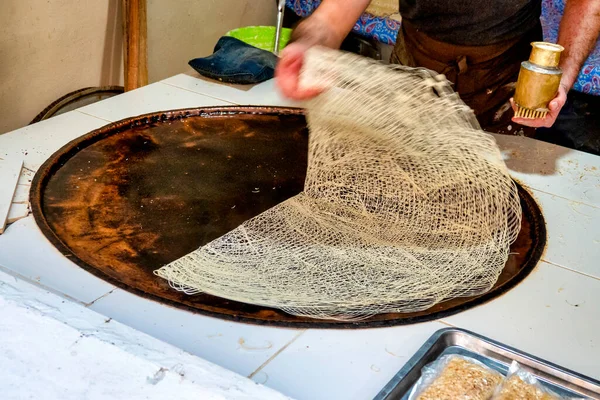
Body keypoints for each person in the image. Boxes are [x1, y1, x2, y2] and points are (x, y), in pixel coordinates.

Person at [275, 0, 600, 134]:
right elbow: (331, 18)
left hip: (508, 81)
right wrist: (306, 46)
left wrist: (560, 78)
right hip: (413, 67)